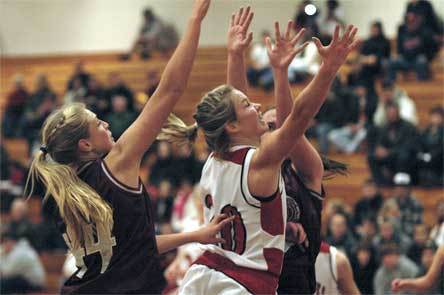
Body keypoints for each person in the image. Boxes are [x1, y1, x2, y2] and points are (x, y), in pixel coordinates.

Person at [25, 1, 233, 294]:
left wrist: (197, 235)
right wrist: (195, 21)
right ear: (85, 144)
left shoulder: (67, 195)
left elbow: (136, 245)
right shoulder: (117, 163)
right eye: (98, 124)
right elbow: (170, 90)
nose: (107, 125)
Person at [159, 7, 358, 291]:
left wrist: (235, 55)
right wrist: (327, 69)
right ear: (232, 126)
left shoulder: (215, 157)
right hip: (243, 283)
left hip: (205, 274)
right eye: (249, 107)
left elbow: (234, 105)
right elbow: (298, 116)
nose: (258, 105)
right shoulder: (260, 162)